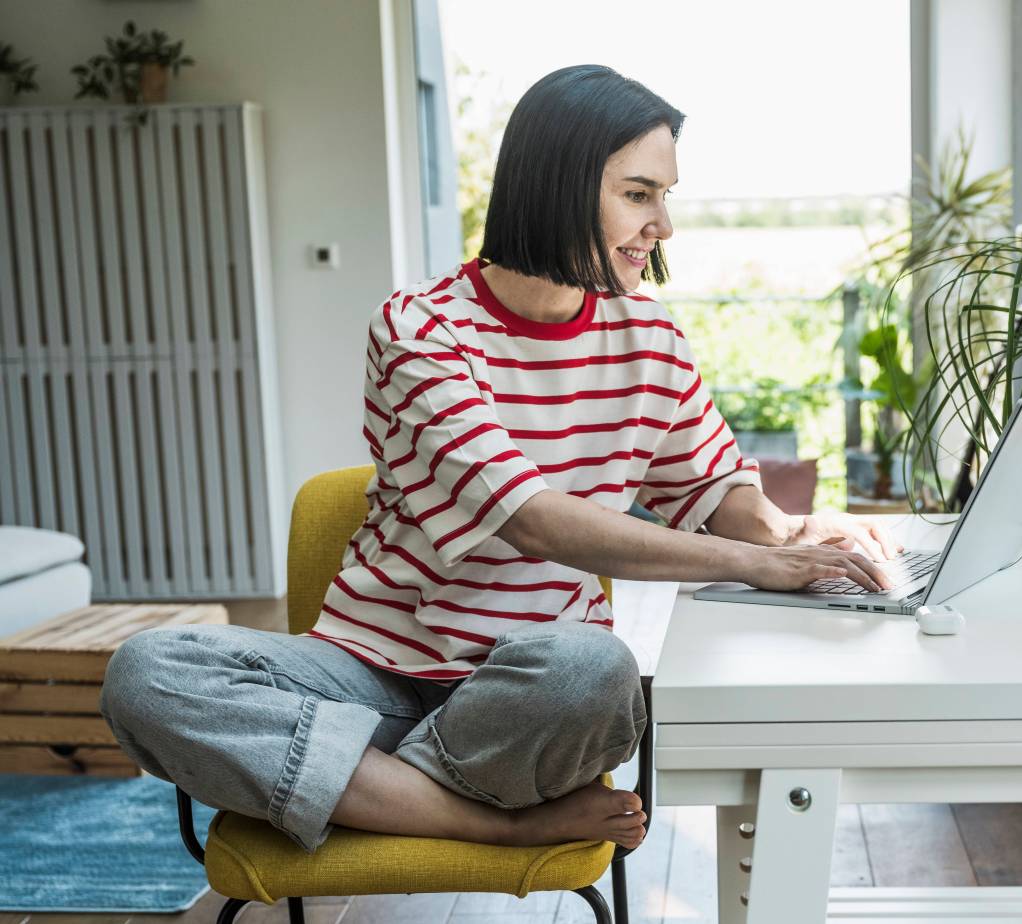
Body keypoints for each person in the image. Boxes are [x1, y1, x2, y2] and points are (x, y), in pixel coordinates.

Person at [99, 64, 898, 856]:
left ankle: (356, 785)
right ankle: (489, 821)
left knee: (596, 669)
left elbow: (715, 492)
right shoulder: (422, 330)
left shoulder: (649, 340)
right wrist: (756, 566)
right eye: (639, 193)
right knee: (150, 672)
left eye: (666, 197)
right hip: (369, 678)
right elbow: (533, 521)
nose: (664, 225)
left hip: (532, 691)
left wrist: (798, 537)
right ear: (558, 183)